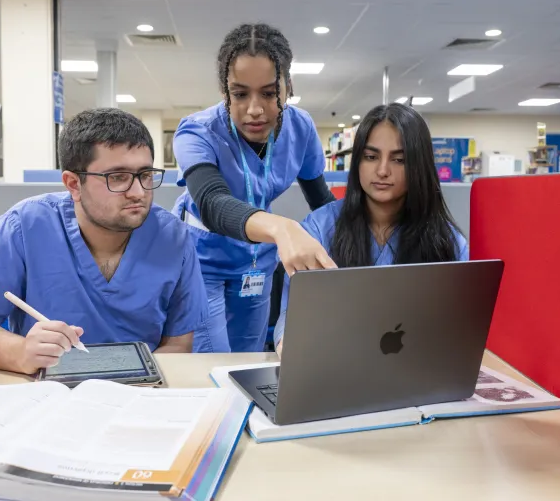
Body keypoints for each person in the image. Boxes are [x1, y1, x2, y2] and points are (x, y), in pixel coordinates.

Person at [0, 108, 208, 375]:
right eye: (118, 177)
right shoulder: (24, 228)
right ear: (74, 184)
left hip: (140, 394)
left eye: (145, 175)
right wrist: (20, 352)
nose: (138, 192)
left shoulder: (173, 237)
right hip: (47, 392)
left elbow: (178, 343)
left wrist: (138, 386)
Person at [172, 23, 338, 353]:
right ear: (225, 92)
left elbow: (322, 201)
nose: (255, 109)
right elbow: (213, 203)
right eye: (240, 94)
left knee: (249, 357)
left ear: (288, 86)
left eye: (268, 92)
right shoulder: (197, 132)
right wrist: (281, 228)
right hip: (202, 259)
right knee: (213, 365)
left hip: (257, 261)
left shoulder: (300, 127)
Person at [273, 103, 469, 356]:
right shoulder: (319, 230)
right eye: (371, 156)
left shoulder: (447, 241)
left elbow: (458, 328)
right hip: (333, 371)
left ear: (419, 166)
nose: (383, 170)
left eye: (399, 159)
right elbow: (294, 315)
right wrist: (288, 345)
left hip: (419, 377)